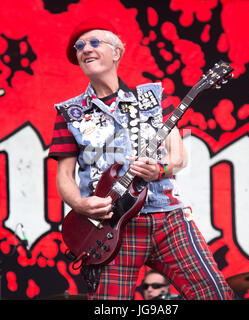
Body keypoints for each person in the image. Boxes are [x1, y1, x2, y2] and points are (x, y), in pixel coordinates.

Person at [48, 17, 234, 300]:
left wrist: (160, 170)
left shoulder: (153, 97)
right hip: (112, 226)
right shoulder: (69, 112)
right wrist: (80, 204)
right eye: (80, 45)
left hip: (167, 217)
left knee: (215, 294)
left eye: (95, 42)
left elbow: (179, 157)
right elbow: (64, 175)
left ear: (117, 52)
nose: (86, 49)